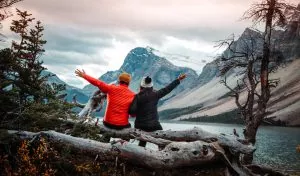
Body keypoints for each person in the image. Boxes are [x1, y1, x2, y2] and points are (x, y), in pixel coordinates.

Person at [129, 74, 187, 147]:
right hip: (154, 125)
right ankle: (162, 150)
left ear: (141, 86)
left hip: (140, 126)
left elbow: (132, 111)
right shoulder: (156, 94)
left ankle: (140, 151)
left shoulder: (137, 96)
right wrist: (178, 80)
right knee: (162, 136)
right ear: (151, 86)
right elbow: (167, 89)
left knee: (142, 140)